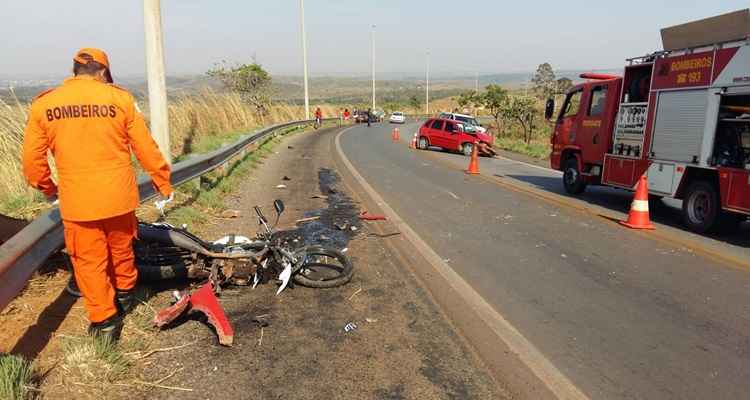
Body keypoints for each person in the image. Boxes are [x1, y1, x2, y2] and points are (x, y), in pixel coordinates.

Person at [22, 48, 173, 341]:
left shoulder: (46, 104)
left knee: (89, 262)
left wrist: (48, 188)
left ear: (75, 70)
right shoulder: (120, 99)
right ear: (102, 72)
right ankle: (127, 296)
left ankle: (105, 322)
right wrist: (162, 181)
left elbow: (32, 161)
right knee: (122, 249)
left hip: (79, 202)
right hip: (119, 197)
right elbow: (145, 147)